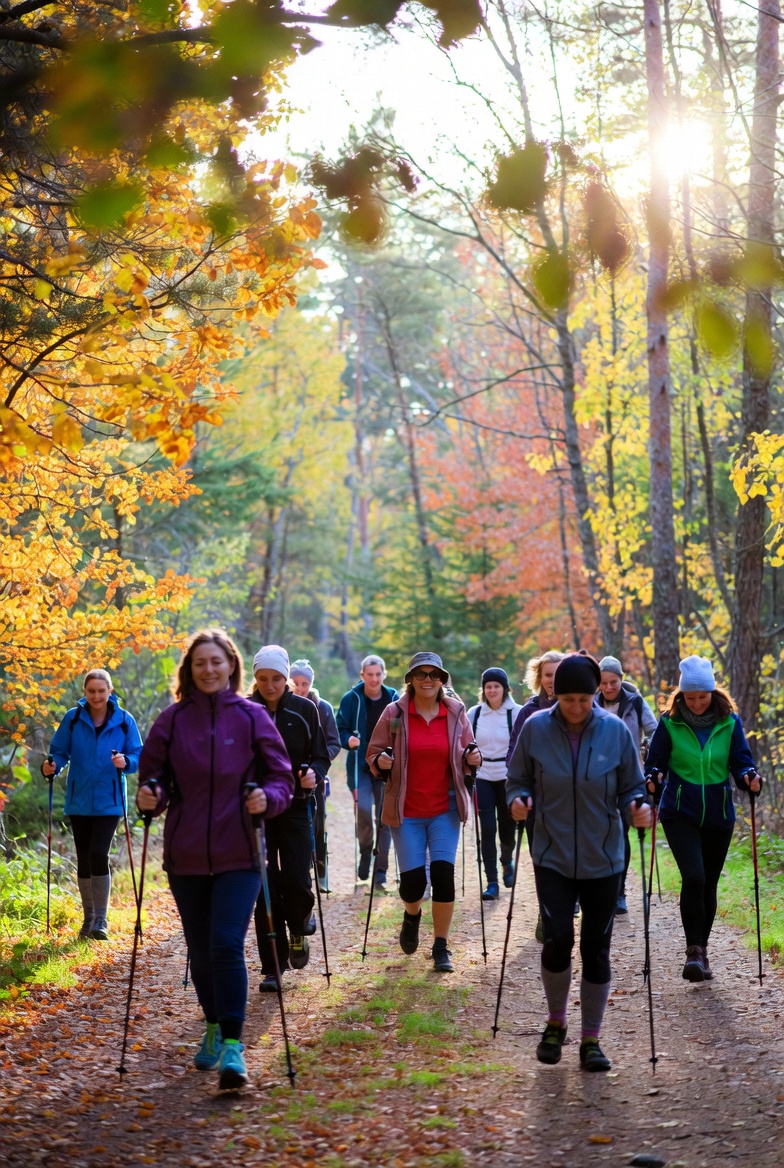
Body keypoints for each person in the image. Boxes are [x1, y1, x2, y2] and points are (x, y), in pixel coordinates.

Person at [137, 629, 293, 1090]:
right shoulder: (172, 721)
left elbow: (280, 777)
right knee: (201, 949)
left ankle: (231, 1044)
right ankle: (211, 1023)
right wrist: (151, 796)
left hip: (239, 852)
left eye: (216, 662)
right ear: (190, 669)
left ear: (231, 666)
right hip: (185, 856)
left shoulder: (250, 717)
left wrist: (268, 797)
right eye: (200, 663)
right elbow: (155, 780)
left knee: (225, 943)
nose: (209, 669)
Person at [506, 652, 651, 1072]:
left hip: (604, 858)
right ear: (555, 695)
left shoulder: (615, 732)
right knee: (557, 941)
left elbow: (632, 787)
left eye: (584, 700)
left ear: (594, 696)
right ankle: (555, 1023)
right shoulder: (535, 729)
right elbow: (517, 781)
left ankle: (592, 1039)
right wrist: (518, 801)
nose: (576, 707)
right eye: (568, 699)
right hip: (551, 854)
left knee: (595, 948)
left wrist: (637, 807)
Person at [644, 655, 760, 983]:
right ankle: (693, 950)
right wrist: (652, 777)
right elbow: (655, 762)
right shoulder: (669, 723)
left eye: (702, 696)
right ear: (681, 696)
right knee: (693, 877)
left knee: (708, 882)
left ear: (713, 693)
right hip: (679, 811)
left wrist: (749, 777)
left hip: (719, 813)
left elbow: (740, 762)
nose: (696, 703)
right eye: (690, 697)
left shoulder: (730, 722)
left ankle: (703, 951)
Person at [367, 651, 481, 973]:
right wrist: (380, 762)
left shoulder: (456, 712)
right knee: (413, 884)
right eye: (421, 674)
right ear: (411, 679)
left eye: (434, 675)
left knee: (444, 877)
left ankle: (441, 946)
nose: (428, 680)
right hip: (408, 811)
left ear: (442, 680)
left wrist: (473, 758)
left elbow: (469, 751)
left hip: (444, 807)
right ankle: (412, 914)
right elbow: (373, 753)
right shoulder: (395, 713)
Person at [249, 646, 330, 990]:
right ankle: (273, 967)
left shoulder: (304, 709)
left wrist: (313, 772)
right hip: (255, 811)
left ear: (286, 679)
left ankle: (298, 925)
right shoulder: (244, 710)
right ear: (255, 678)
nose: (270, 685)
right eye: (264, 678)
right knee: (264, 888)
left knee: (297, 880)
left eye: (277, 679)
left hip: (296, 806)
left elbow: (321, 755)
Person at [43, 668, 143, 940]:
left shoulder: (124, 721)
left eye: (102, 691)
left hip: (109, 800)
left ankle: (101, 919)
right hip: (78, 800)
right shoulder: (73, 719)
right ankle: (88, 920)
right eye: (92, 691)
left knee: (98, 854)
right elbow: (59, 752)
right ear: (84, 693)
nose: (97, 696)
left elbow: (138, 754)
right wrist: (52, 767)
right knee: (83, 858)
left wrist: (127, 762)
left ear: (110, 691)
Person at [597, 655, 658, 915]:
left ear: (621, 679)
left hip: (629, 777)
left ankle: (619, 893)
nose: (609, 687)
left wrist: (648, 748)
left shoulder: (635, 701)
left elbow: (655, 730)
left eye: (614, 681)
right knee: (601, 833)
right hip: (598, 777)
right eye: (604, 683)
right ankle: (599, 889)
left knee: (620, 833)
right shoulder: (591, 703)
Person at [336, 655, 398, 891]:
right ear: (362, 675)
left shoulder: (393, 698)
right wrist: (348, 740)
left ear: (384, 674)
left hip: (385, 768)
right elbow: (339, 728)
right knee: (363, 815)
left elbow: (399, 729)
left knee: (385, 819)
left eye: (378, 674)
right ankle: (365, 854)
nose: (374, 679)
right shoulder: (352, 698)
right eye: (369, 674)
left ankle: (380, 871)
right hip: (360, 767)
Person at [466, 668, 522, 900]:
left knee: (507, 825)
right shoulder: (475, 713)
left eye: (496, 686)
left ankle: (506, 861)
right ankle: (491, 882)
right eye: (488, 686)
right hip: (482, 775)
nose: (492, 690)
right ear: (484, 689)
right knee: (487, 828)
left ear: (505, 689)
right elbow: (466, 740)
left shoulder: (517, 712)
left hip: (508, 776)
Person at [290, 658, 341, 892]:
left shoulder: (323, 707)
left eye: (305, 683)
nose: (301, 688)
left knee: (317, 823)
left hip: (316, 778)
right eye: (296, 683)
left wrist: (318, 766)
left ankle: (321, 871)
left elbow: (334, 743)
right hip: (289, 778)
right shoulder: (284, 706)